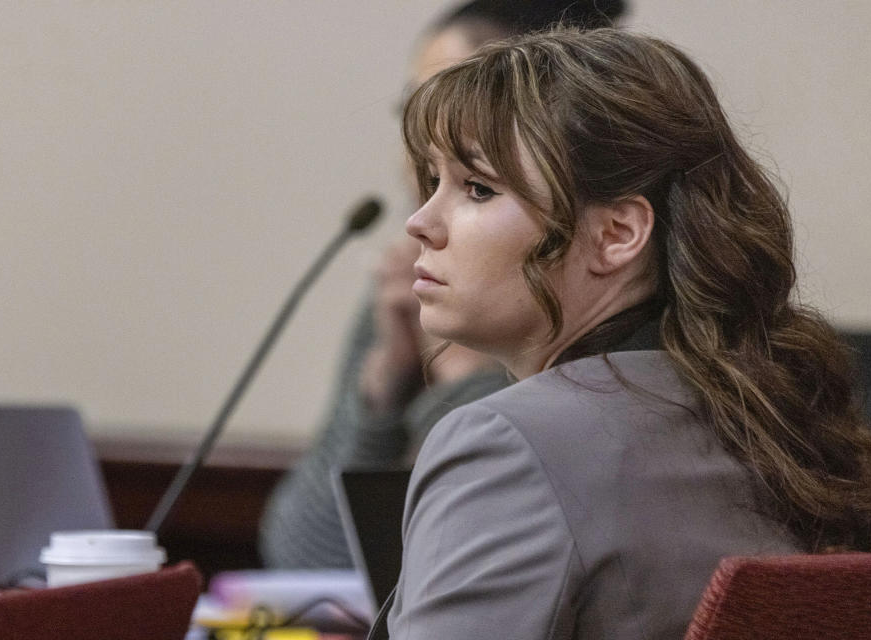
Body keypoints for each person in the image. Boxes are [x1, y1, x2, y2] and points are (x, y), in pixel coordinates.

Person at [380, 27, 871, 639]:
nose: (421, 222)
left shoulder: (506, 446)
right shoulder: (782, 416)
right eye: (431, 182)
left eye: (478, 188)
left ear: (616, 234)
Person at [258, 0, 626, 570]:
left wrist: (462, 383)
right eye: (413, 108)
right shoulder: (421, 282)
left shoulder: (625, 329)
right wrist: (386, 385)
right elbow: (303, 560)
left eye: (476, 180)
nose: (420, 149)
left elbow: (456, 573)